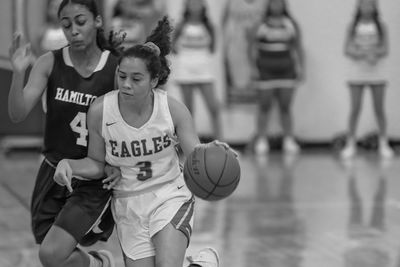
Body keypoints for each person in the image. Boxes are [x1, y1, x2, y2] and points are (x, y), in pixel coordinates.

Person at [53, 16, 227, 267]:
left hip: (169, 194)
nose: (126, 84)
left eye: (136, 79)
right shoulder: (101, 111)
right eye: (122, 76)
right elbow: (95, 162)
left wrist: (212, 155)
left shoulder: (172, 110)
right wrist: (68, 164)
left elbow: (195, 156)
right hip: (128, 204)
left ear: (153, 81)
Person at [8, 0, 125, 266]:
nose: (73, 30)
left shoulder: (116, 69)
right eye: (66, 25)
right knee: (58, 260)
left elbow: (127, 124)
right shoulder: (49, 62)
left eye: (81, 22)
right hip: (53, 172)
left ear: (97, 21)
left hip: (92, 175)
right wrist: (18, 74)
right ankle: (98, 264)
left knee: (50, 254)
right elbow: (17, 114)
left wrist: (119, 164)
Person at [248, 0, 303, 155]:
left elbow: (298, 47)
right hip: (265, 70)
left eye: (279, 3)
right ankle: (261, 139)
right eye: (273, 3)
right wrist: (253, 68)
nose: (276, 6)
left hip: (286, 70)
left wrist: (301, 68)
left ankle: (289, 139)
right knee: (264, 106)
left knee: (285, 106)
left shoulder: (291, 24)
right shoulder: (261, 25)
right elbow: (250, 47)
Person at [341, 0, 393, 159]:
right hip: (357, 71)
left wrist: (374, 54)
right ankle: (350, 143)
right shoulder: (353, 26)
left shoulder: (381, 26)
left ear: (375, 7)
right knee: (355, 108)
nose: (367, 7)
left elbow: (385, 48)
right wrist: (363, 54)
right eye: (364, 4)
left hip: (376, 70)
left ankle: (384, 142)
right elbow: (347, 48)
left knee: (379, 108)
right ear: (358, 6)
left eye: (370, 4)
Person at [172, 0, 222, 139]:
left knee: (214, 107)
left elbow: (213, 48)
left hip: (204, 71)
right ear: (186, 6)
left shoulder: (209, 26)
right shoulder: (181, 26)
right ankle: (191, 144)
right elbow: (173, 48)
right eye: (192, 2)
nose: (195, 5)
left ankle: (222, 142)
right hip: (185, 71)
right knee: (188, 111)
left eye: (198, 2)